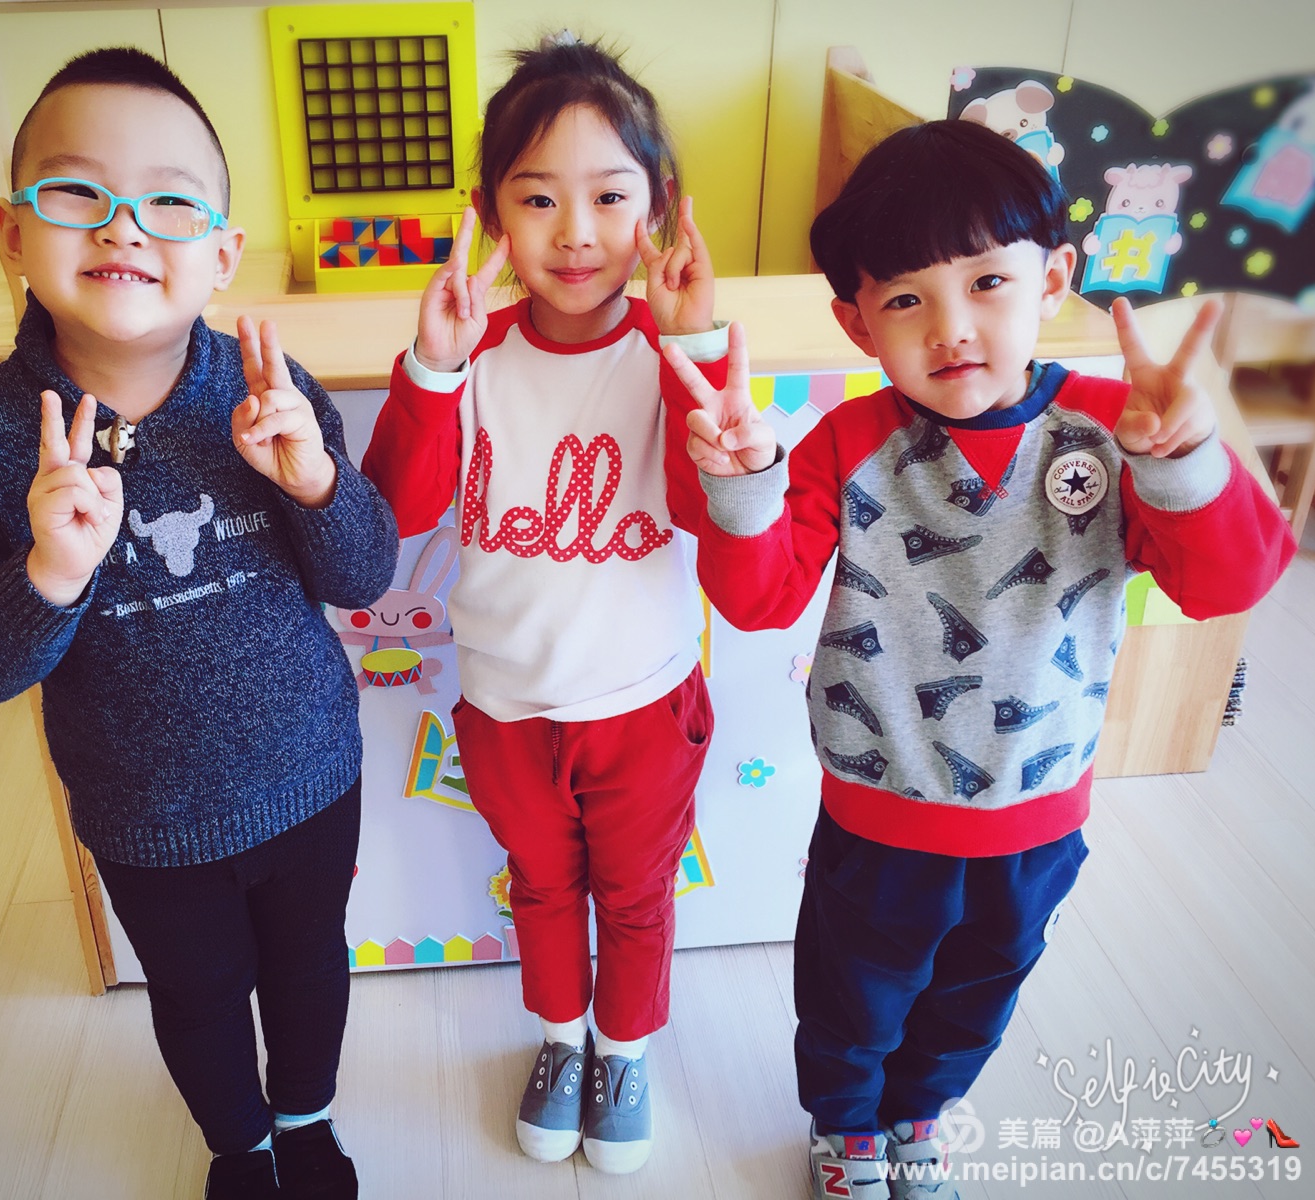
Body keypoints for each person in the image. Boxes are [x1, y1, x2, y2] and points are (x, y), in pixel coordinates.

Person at [665, 119, 1296, 1200]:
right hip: (878, 814)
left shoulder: (1118, 428)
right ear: (856, 322)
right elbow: (758, 600)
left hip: (1039, 813)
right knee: (852, 998)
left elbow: (1225, 585)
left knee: (978, 996)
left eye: (987, 282)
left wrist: (1186, 457)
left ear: (1053, 278)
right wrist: (743, 479)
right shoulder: (846, 444)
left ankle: (918, 1117)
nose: (952, 328)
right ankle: (846, 1131)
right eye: (907, 299)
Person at [0, 47, 398, 1200]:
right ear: (8, 229)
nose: (124, 226)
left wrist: (315, 481)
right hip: (141, 814)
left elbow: (365, 573)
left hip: (310, 775)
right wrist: (49, 572)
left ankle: (308, 1121)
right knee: (193, 995)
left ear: (222, 253)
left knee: (308, 968)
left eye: (169, 201)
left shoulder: (268, 387)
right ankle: (240, 1146)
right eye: (76, 191)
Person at [361, 33, 736, 1176]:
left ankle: (623, 1051)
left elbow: (711, 512)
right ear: (489, 214)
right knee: (541, 887)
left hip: (643, 706)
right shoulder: (470, 354)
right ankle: (562, 1039)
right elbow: (393, 513)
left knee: (635, 896)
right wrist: (433, 366)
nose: (575, 232)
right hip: (505, 709)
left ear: (656, 208)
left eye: (609, 197)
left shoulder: (672, 351)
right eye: (538, 199)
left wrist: (698, 351)